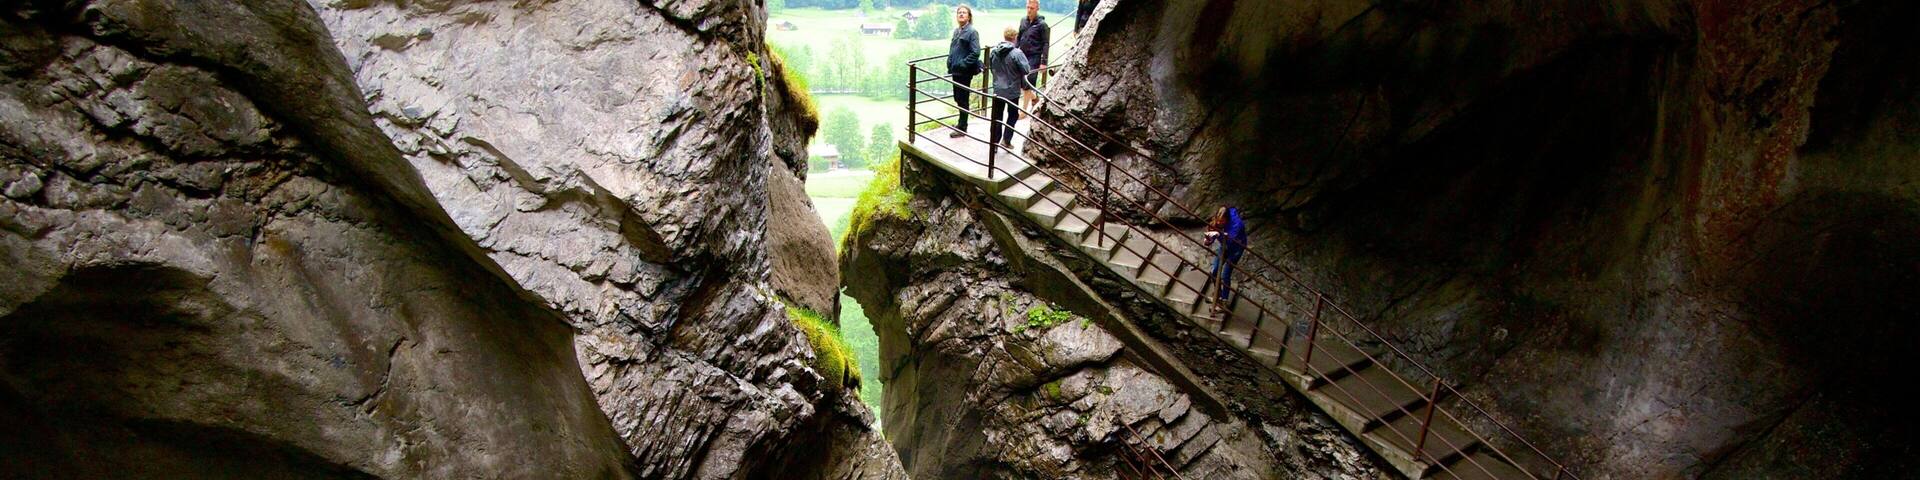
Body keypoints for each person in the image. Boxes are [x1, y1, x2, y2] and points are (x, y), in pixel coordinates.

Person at [987, 27, 1032, 149]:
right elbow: (1026, 69)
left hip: (997, 90)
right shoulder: (1017, 53)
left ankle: (994, 143)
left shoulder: (994, 52)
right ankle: (1006, 140)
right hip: (1012, 90)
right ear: (1015, 37)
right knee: (1012, 115)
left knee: (997, 117)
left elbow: (992, 68)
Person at [945, 5, 982, 138]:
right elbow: (953, 48)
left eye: (964, 13)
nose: (961, 14)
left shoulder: (972, 32)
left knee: (963, 98)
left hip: (964, 72)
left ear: (969, 16)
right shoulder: (957, 31)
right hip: (955, 70)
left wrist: (963, 64)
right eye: (959, 13)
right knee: (957, 97)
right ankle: (961, 122)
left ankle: (962, 127)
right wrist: (949, 60)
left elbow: (976, 52)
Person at [1204, 206, 1247, 312]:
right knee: (1214, 270)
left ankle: (1224, 301)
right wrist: (1209, 239)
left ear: (1227, 219)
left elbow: (1230, 241)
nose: (1220, 223)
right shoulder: (1219, 220)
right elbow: (1213, 233)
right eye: (1218, 221)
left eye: (1222, 221)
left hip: (1235, 249)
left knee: (1225, 274)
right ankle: (1217, 293)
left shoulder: (1237, 225)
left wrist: (1218, 234)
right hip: (1224, 246)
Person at [1016, 0, 1050, 117]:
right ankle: (1035, 98)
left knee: (1027, 82)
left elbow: (1046, 43)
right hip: (1022, 55)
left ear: (1037, 9)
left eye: (1032, 8)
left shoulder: (1042, 25)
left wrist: (1044, 62)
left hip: (1034, 56)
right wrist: (1014, 51)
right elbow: (1019, 37)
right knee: (1021, 83)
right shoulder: (1023, 21)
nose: (1029, 10)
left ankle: (1023, 112)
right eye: (1028, 8)